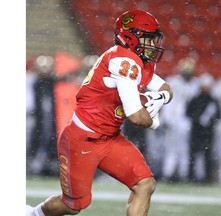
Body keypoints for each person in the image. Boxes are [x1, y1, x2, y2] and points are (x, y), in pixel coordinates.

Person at [26, 10, 173, 216]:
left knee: (145, 184)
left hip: (110, 138)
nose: (152, 45)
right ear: (131, 37)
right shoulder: (123, 62)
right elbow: (136, 117)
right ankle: (31, 214)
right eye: (147, 39)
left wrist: (159, 98)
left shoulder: (134, 60)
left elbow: (166, 88)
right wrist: (153, 118)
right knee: (74, 205)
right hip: (83, 138)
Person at [159, 57, 200, 182]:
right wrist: (165, 118)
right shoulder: (173, 81)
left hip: (185, 120)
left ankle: (183, 174)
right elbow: (164, 100)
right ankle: (168, 173)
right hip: (172, 117)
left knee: (183, 148)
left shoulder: (196, 84)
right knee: (171, 148)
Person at [186, 72, 221, 183]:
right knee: (193, 155)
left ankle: (207, 178)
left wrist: (208, 122)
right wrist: (198, 120)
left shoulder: (213, 101)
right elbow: (188, 112)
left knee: (207, 155)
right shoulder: (196, 99)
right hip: (196, 131)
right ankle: (191, 177)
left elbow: (219, 115)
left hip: (207, 132)